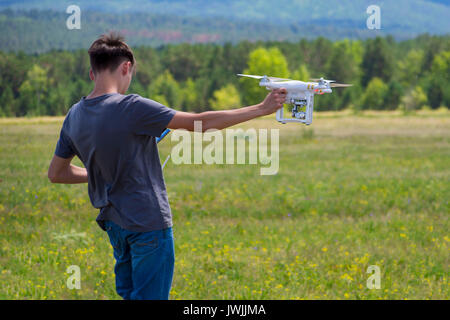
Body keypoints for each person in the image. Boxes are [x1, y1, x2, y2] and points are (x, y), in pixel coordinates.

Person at [47, 32, 287, 300]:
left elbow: (57, 173)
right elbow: (201, 122)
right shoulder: (131, 106)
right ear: (126, 67)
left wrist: (101, 173)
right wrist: (261, 109)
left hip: (114, 226)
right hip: (147, 223)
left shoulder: (74, 116)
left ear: (92, 73)